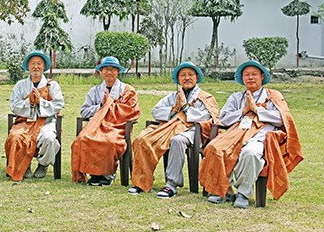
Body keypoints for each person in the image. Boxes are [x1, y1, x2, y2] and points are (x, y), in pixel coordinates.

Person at [199, 60, 303, 208]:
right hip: (235, 136)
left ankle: (243, 194)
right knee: (214, 148)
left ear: (262, 76)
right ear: (242, 78)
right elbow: (224, 118)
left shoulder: (273, 96)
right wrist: (243, 111)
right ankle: (226, 191)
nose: (250, 77)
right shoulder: (236, 98)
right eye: (246, 75)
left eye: (254, 74)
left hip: (260, 138)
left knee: (250, 153)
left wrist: (257, 110)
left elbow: (283, 118)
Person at [129, 62, 219, 198]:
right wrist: (174, 109)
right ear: (178, 79)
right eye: (183, 75)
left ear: (197, 77)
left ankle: (171, 185)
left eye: (190, 75)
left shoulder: (206, 97)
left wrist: (186, 108)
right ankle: (142, 182)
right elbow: (156, 111)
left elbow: (207, 116)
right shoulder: (173, 96)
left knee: (177, 140)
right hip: (170, 129)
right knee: (143, 139)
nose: (186, 78)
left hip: (194, 132)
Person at [72, 56, 140, 186]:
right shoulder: (95, 91)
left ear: (118, 71)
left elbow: (132, 111)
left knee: (109, 140)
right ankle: (94, 174)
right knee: (82, 139)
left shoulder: (127, 90)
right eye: (106, 69)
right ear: (101, 71)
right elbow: (84, 111)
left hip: (117, 128)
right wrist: (101, 107)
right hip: (96, 127)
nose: (109, 72)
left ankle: (108, 175)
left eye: (113, 69)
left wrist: (110, 106)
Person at [5, 50, 64, 181]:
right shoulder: (20, 85)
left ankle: (43, 165)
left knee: (49, 139)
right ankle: (23, 165)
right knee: (15, 136)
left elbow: (58, 104)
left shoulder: (52, 85)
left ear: (44, 66)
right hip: (25, 122)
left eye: (39, 63)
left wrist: (40, 101)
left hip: (46, 123)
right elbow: (14, 105)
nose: (35, 66)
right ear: (28, 66)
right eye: (32, 63)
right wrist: (29, 102)